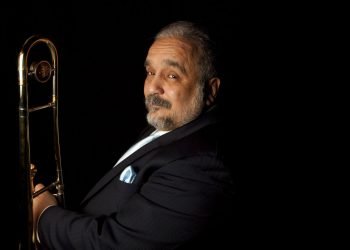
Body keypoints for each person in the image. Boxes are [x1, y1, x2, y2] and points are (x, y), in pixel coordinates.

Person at [33, 20, 236, 249]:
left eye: (172, 76)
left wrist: (44, 215)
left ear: (210, 91)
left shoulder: (201, 166)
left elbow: (115, 244)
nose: (152, 87)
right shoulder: (173, 123)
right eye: (150, 72)